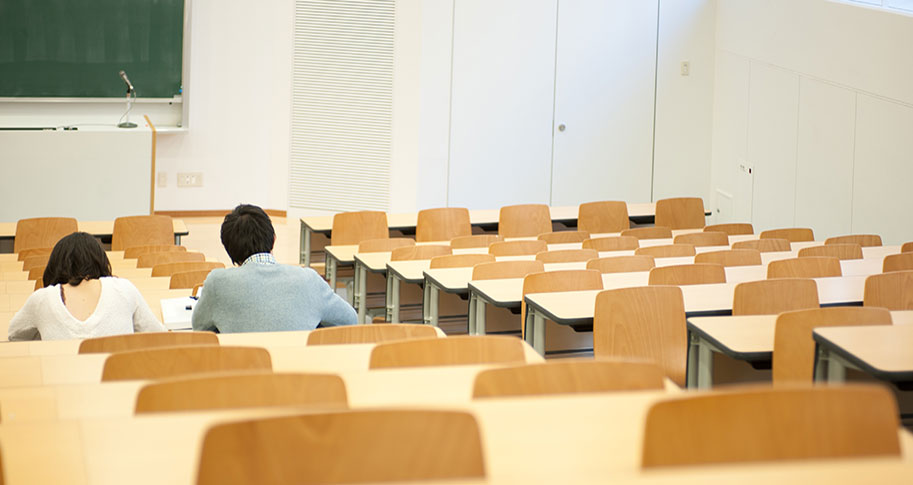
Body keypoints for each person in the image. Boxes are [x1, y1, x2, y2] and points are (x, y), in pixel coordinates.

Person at [192, 204, 357, 333]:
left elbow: (199, 328)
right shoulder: (308, 279)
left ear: (229, 250)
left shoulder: (217, 283)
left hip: (243, 372)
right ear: (274, 240)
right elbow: (350, 320)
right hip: (300, 372)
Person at [8, 232, 166, 341]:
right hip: (118, 385)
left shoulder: (41, 299)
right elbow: (157, 334)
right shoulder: (123, 288)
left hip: (58, 386)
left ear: (54, 265)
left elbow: (14, 335)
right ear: (101, 261)